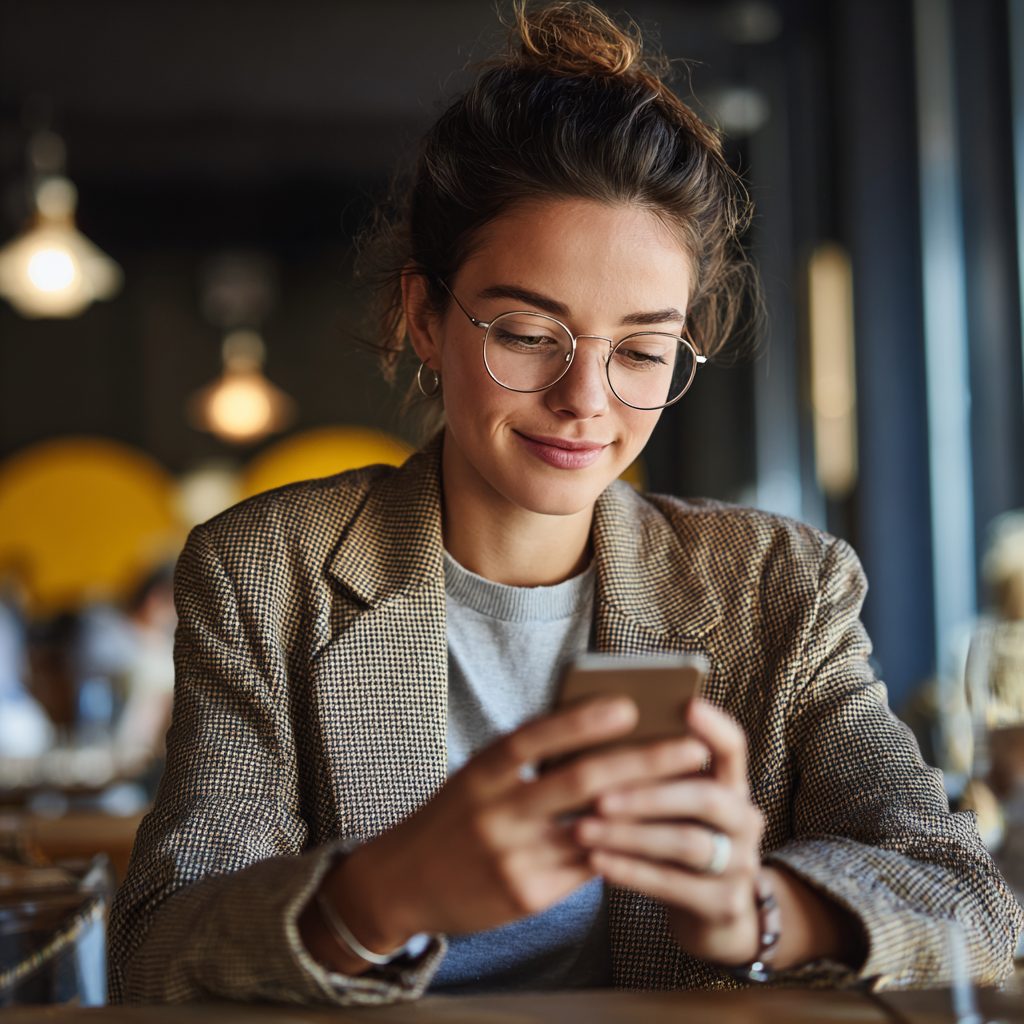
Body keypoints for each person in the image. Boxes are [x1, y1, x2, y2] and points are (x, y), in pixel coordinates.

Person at [108, 1, 1023, 1005]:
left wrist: (757, 909)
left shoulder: (777, 588)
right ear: (424, 316)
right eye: (525, 332)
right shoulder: (267, 574)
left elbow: (971, 905)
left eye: (638, 351)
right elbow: (158, 948)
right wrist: (381, 894)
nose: (585, 400)